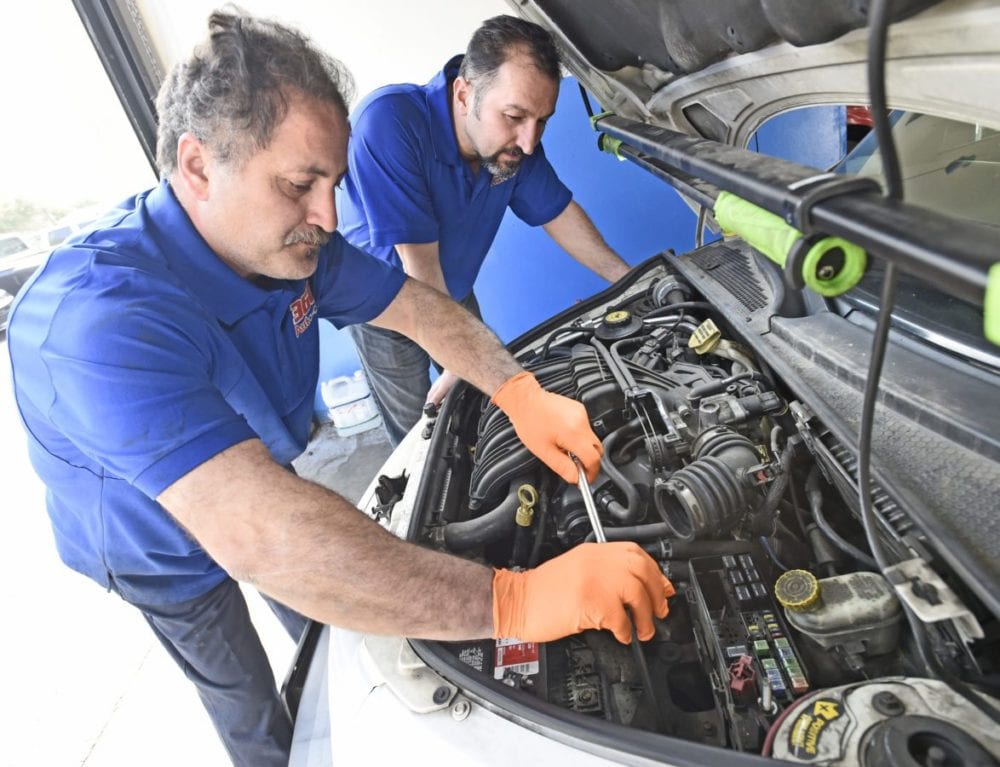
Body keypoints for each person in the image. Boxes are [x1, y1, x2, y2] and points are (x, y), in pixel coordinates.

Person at [7, 9, 673, 767]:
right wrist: (509, 602)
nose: (328, 215)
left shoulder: (294, 244)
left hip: (259, 471)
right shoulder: (96, 324)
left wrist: (517, 389)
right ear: (196, 165)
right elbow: (261, 536)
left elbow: (418, 305)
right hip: (160, 547)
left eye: (332, 181)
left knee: (337, 636)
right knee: (258, 715)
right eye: (300, 184)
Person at [340, 15, 632, 446]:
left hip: (451, 288)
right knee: (425, 431)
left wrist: (629, 281)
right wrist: (465, 361)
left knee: (487, 407)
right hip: (383, 304)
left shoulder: (513, 146)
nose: (529, 142)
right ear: (464, 94)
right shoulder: (389, 123)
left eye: (542, 121)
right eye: (514, 116)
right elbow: (418, 268)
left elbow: (558, 213)